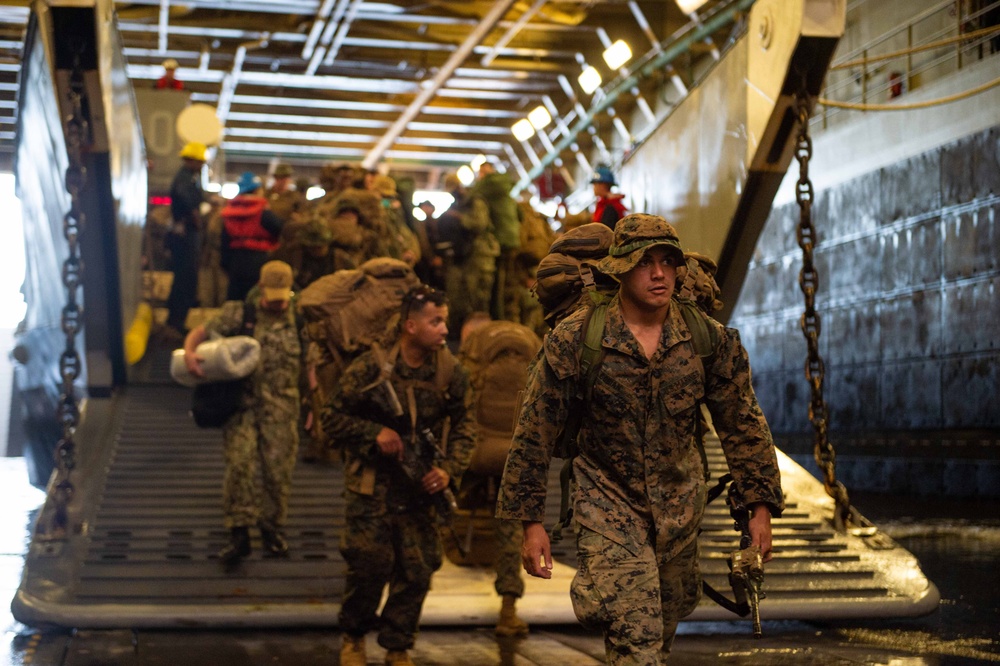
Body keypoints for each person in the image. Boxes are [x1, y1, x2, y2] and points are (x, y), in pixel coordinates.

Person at [496, 213, 784, 665]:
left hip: (680, 505)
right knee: (638, 634)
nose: (658, 273)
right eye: (644, 262)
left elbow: (744, 425)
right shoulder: (577, 338)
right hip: (606, 502)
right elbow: (534, 432)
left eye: (668, 262)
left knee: (660, 629)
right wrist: (530, 523)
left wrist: (759, 507)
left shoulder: (708, 339)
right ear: (619, 270)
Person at [322, 285, 476, 666]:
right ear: (410, 325)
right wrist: (373, 433)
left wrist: (448, 470)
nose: (444, 329)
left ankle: (397, 646)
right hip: (372, 486)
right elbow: (331, 418)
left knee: (418, 569)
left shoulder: (449, 371)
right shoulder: (372, 366)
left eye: (445, 320)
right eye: (435, 321)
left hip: (420, 488)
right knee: (367, 564)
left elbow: (466, 426)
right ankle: (353, 638)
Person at [182, 260, 309, 567]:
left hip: (282, 408)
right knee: (240, 464)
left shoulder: (302, 318)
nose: (278, 302)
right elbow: (199, 332)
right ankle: (238, 533)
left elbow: (312, 365)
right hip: (242, 405)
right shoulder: (240, 313)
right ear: (262, 287)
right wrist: (189, 353)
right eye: (273, 294)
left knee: (278, 472)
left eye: (284, 295)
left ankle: (272, 528)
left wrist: (314, 407)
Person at [221, 171, 284, 301]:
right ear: (256, 190)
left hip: (235, 261)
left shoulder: (229, 211)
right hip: (258, 261)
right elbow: (280, 229)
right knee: (254, 301)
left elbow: (224, 241)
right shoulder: (263, 212)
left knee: (235, 302)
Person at [164, 141, 206, 336]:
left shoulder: (190, 178)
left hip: (185, 234)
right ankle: (175, 322)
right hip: (186, 236)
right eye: (200, 162)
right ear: (193, 161)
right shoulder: (185, 179)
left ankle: (176, 321)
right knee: (185, 279)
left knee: (184, 278)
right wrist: (194, 216)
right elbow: (185, 198)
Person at [591, 165, 628, 229]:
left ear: (603, 185)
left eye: (595, 184)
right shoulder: (603, 204)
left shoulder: (610, 208)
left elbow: (605, 233)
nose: (593, 187)